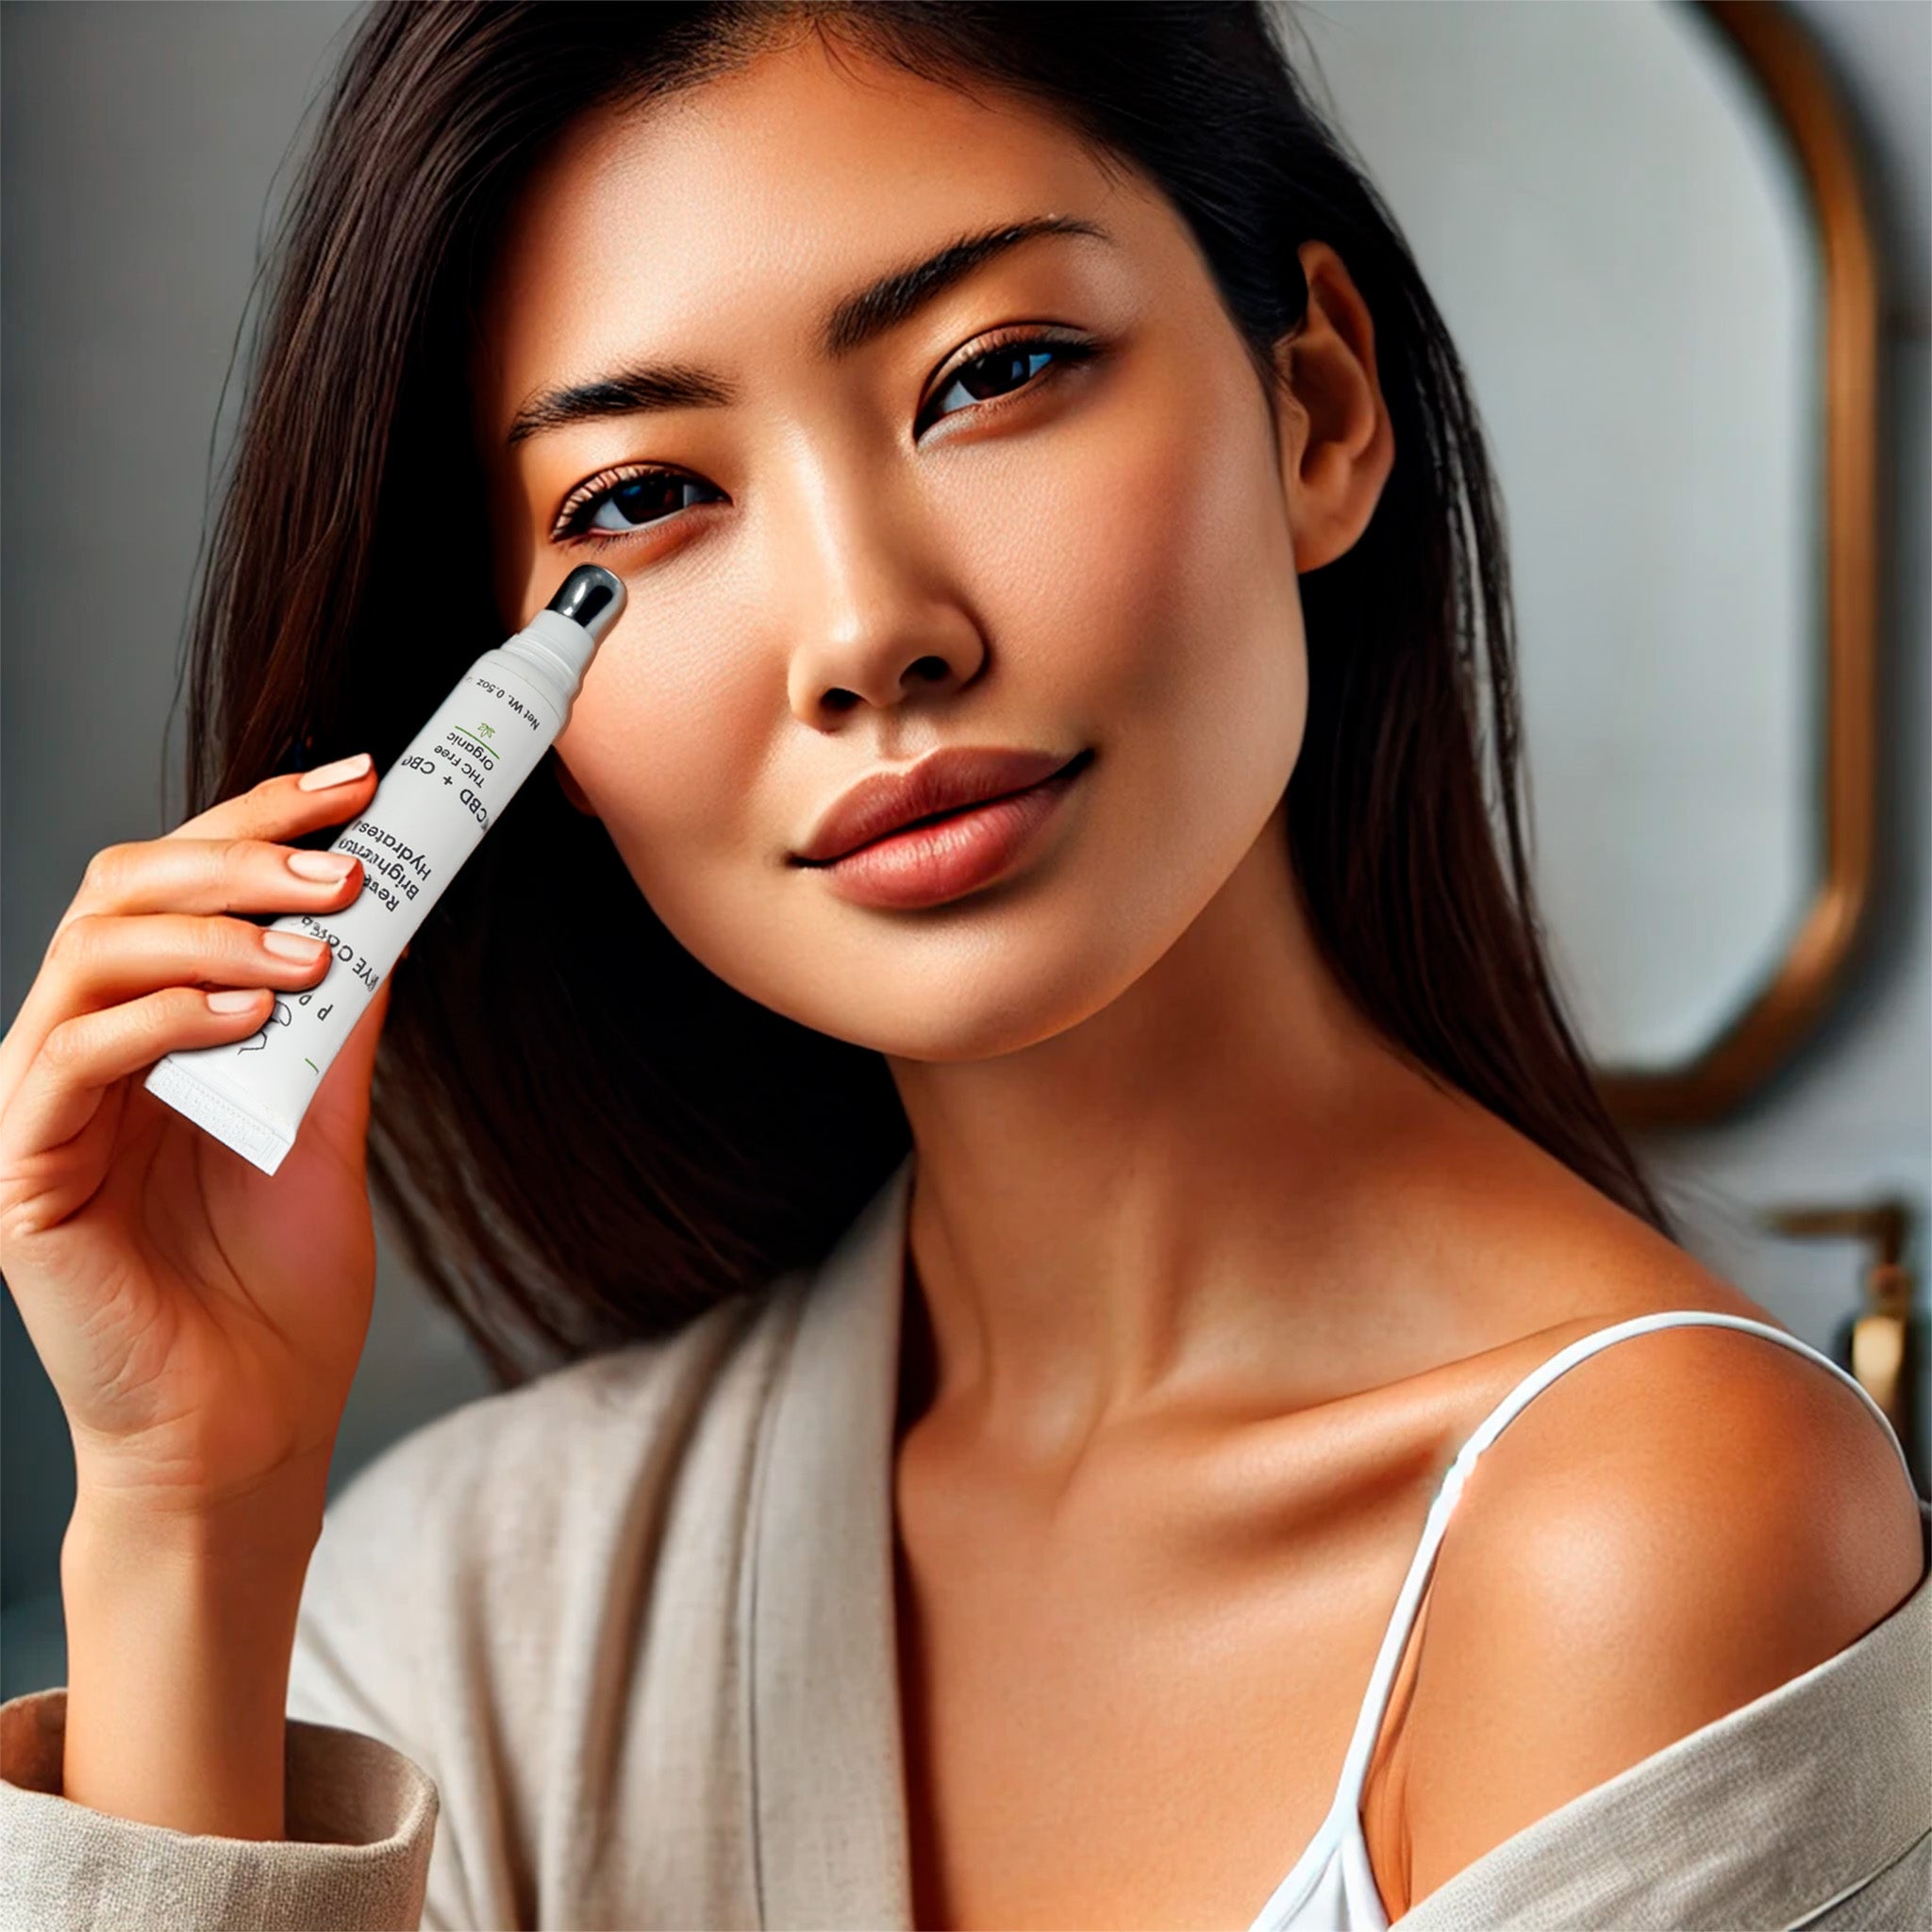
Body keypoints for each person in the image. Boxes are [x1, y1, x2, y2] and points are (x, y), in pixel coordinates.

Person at [2, 5, 1926, 1928]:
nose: (864, 627)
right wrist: (189, 1519)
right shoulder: (470, 1602)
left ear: (1318, 409)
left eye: (996, 371)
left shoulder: (1654, 1532)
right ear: (529, 726)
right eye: (643, 500)